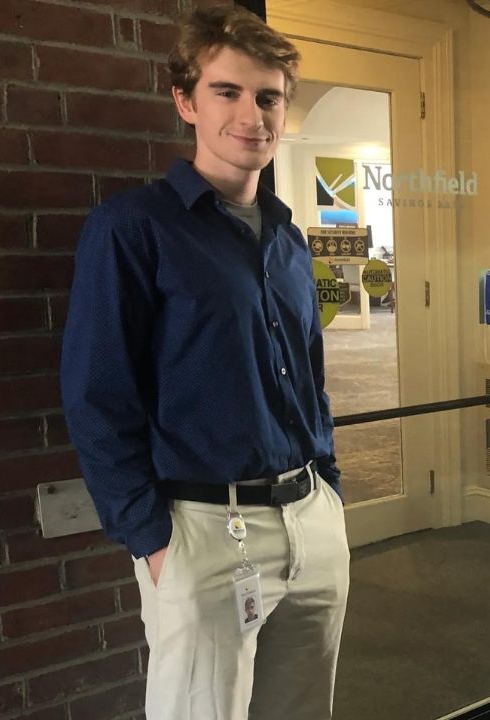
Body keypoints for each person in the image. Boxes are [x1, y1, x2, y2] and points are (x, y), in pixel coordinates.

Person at [59, 6, 349, 720]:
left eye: (269, 97)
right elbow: (97, 395)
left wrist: (330, 488)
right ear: (186, 101)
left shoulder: (288, 239)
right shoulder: (134, 228)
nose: (252, 114)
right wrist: (153, 541)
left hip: (309, 519)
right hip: (202, 530)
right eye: (228, 92)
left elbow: (308, 378)